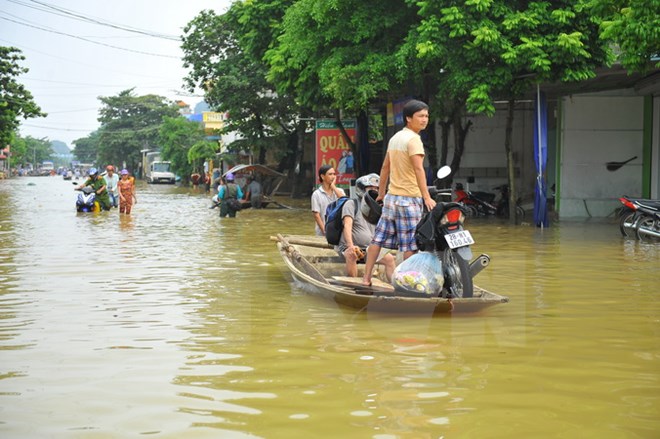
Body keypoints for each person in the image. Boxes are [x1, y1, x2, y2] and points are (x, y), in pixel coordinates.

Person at [362, 99, 436, 286]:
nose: (425, 119)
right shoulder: (414, 140)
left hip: (391, 199)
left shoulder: (395, 138)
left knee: (377, 240)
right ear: (408, 118)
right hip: (409, 200)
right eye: (420, 116)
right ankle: (408, 283)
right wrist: (426, 196)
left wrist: (381, 193)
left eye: (426, 116)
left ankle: (366, 278)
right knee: (409, 245)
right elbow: (419, 170)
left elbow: (385, 167)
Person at [337, 174, 395, 281]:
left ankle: (394, 286)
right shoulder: (351, 204)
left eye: (376, 188)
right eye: (371, 188)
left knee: (390, 259)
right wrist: (351, 246)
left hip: (369, 248)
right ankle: (353, 286)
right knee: (352, 255)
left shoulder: (378, 207)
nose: (374, 191)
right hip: (348, 246)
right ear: (362, 189)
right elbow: (347, 226)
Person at [311, 165, 346, 236]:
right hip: (322, 232)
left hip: (339, 231)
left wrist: (333, 187)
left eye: (334, 174)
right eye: (330, 174)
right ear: (322, 176)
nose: (333, 177)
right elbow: (316, 215)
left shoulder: (339, 191)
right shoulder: (316, 194)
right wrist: (325, 231)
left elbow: (345, 202)